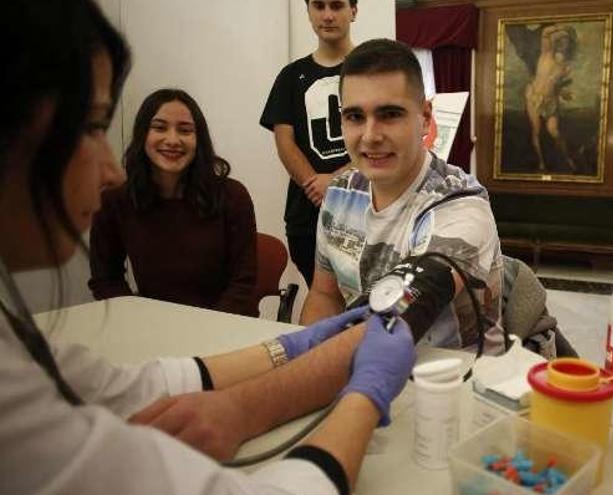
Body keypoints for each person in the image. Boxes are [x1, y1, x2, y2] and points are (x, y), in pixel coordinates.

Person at [0, 1, 414, 494]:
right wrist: (361, 396)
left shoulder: (455, 204)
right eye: (92, 126)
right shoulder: (333, 198)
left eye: (389, 114)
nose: (110, 169)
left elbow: (128, 388)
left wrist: (292, 351)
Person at [300, 39, 507, 356]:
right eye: (355, 117)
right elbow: (325, 295)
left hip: (453, 385)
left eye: (390, 114)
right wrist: (304, 355)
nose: (370, 135)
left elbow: (391, 321)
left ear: (425, 118)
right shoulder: (339, 195)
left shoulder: (462, 204)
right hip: (358, 364)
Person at [88, 88, 259, 317]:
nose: (172, 140)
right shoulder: (114, 201)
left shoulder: (232, 196)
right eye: (159, 127)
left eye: (185, 130)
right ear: (142, 135)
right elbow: (105, 280)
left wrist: (209, 331)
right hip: (151, 327)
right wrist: (138, 319)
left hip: (224, 327)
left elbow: (243, 284)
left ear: (199, 139)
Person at [260, 0, 357, 287]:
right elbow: (285, 142)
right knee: (321, 296)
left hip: (363, 211)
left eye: (337, 6)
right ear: (309, 11)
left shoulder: (372, 68)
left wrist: (337, 182)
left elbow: (381, 139)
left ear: (353, 11)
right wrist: (316, 185)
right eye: (319, 6)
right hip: (306, 217)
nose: (327, 15)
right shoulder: (290, 76)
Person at [525, 24, 578, 172]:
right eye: (562, 41)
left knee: (554, 131)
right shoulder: (546, 55)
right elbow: (545, 34)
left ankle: (567, 157)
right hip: (535, 97)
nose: (563, 44)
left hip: (551, 101)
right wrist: (562, 28)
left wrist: (565, 95)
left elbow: (558, 87)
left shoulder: (566, 67)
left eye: (566, 42)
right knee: (536, 130)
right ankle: (541, 162)